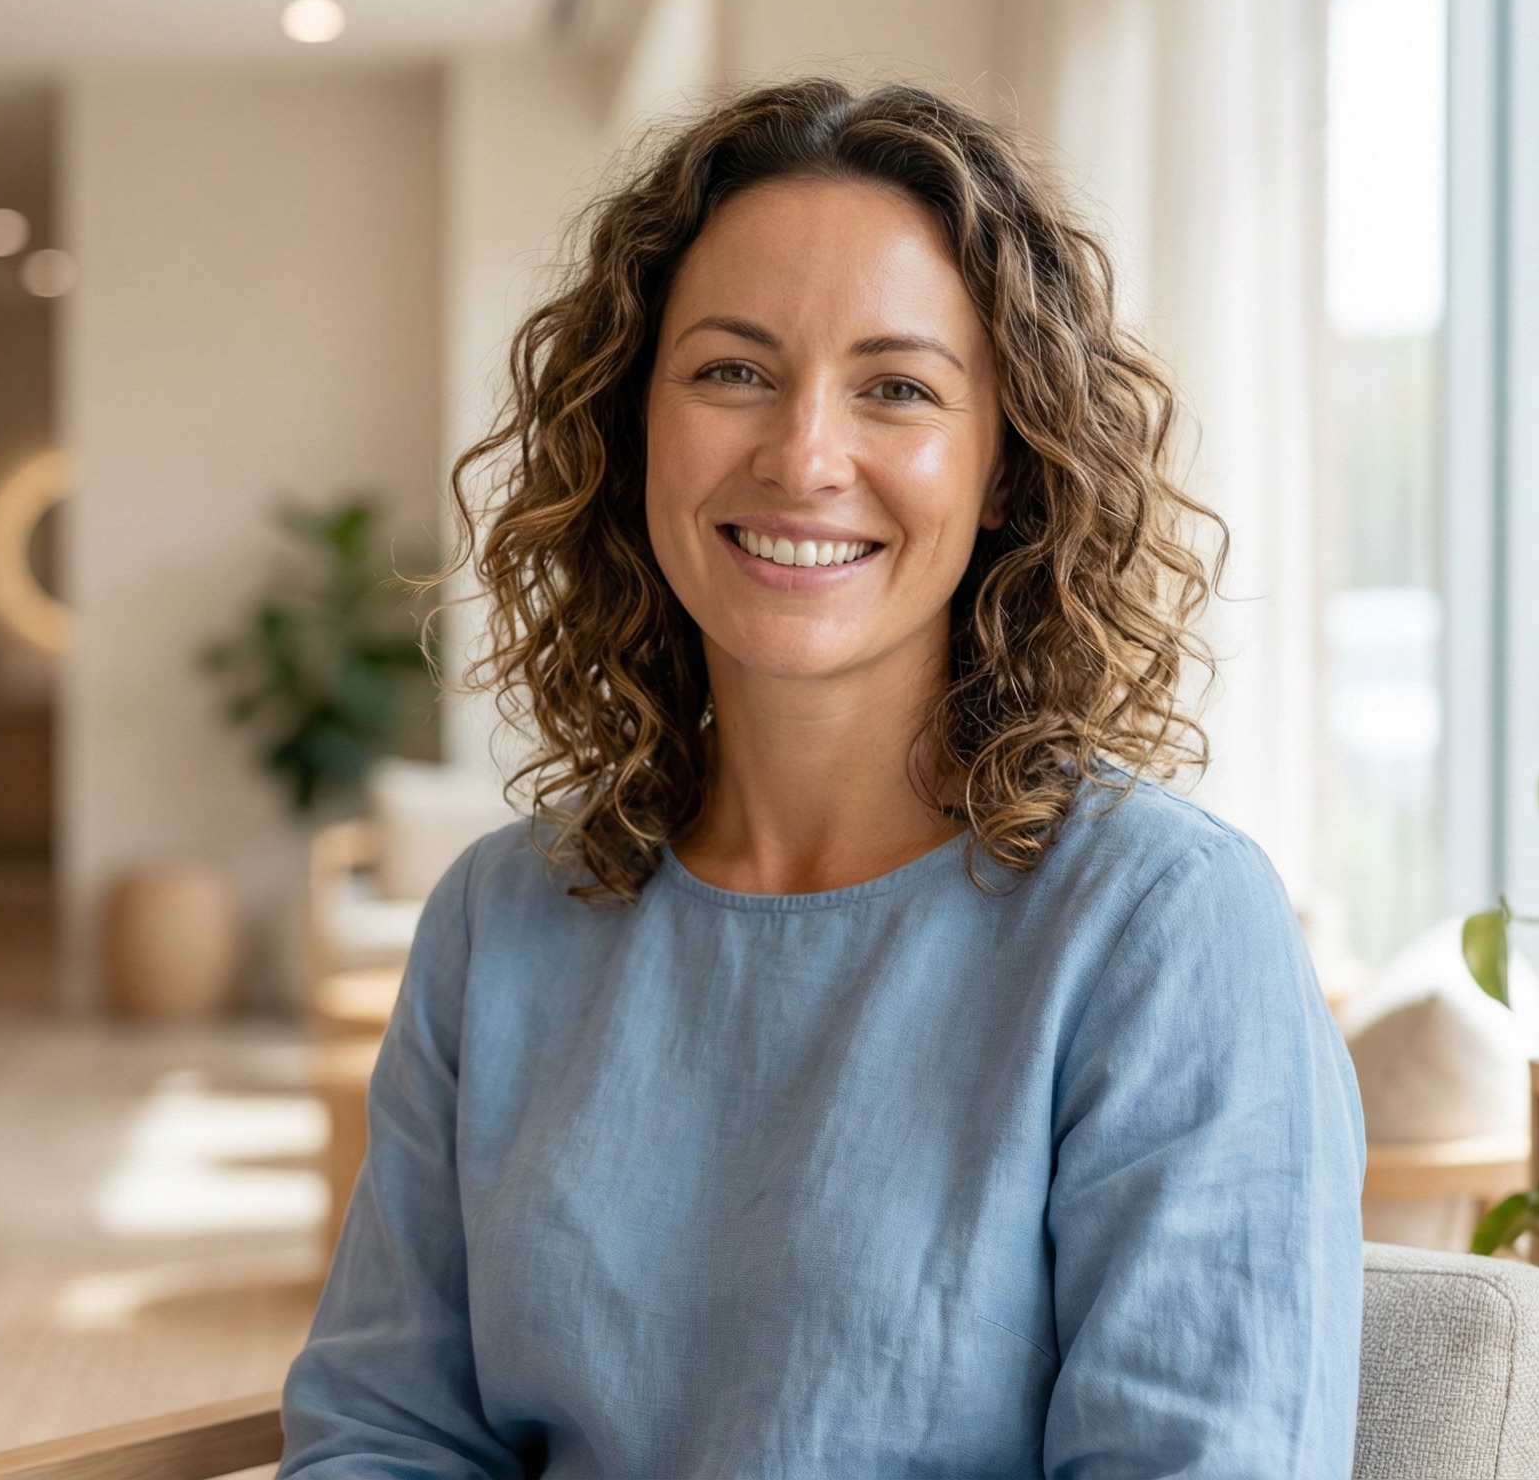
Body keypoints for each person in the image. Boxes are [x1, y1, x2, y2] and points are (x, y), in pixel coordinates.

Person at [280, 79, 1364, 1479]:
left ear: (1004, 472)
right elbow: (383, 1432)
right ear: (633, 428)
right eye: (733, 370)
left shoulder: (1162, 928)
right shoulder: (500, 919)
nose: (801, 456)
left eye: (897, 389)